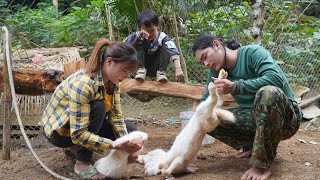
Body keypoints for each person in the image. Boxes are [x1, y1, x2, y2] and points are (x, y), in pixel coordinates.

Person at [192, 34, 302, 180]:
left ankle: (262, 165)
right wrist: (198, 116)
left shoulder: (253, 53)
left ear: (217, 44)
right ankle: (253, 145)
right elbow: (205, 100)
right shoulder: (215, 71)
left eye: (205, 56)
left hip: (286, 120)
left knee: (268, 92)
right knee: (204, 117)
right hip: (256, 117)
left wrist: (236, 87)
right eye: (201, 62)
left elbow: (276, 79)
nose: (205, 64)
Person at [40, 39, 143, 180]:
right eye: (125, 70)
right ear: (109, 62)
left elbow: (116, 117)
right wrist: (114, 145)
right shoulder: (83, 84)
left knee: (130, 129)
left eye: (129, 72)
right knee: (99, 107)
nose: (126, 76)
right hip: (61, 133)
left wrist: (127, 144)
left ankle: (75, 150)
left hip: (78, 127)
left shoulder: (113, 83)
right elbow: (78, 134)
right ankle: (82, 162)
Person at [125, 9, 184, 82]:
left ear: (157, 26)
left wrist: (178, 69)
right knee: (137, 43)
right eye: (146, 30)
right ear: (140, 28)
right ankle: (141, 70)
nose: (149, 33)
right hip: (140, 66)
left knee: (166, 46)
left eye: (152, 30)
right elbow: (124, 47)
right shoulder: (136, 36)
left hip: (157, 66)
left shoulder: (162, 37)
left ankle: (161, 72)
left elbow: (174, 51)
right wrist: (138, 37)